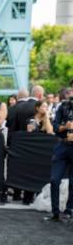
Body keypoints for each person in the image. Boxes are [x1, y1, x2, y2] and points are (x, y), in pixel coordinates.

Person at [48, 87, 73, 221]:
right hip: (62, 145)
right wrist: (65, 127)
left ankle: (69, 210)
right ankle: (55, 211)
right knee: (54, 179)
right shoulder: (63, 106)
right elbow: (55, 127)